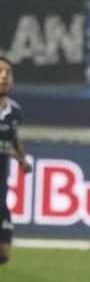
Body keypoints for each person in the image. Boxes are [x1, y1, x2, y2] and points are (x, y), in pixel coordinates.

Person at [0, 57, 33, 266]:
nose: (4, 76)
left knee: (4, 254)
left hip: (0, 194)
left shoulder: (14, 111)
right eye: (0, 71)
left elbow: (12, 139)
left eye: (8, 72)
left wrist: (21, 159)